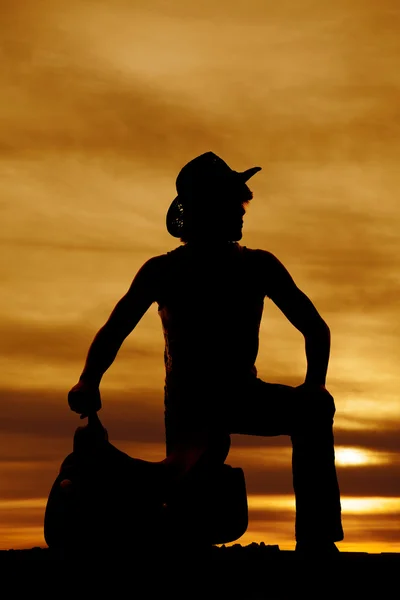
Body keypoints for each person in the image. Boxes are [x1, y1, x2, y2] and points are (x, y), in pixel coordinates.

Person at [68, 151, 344, 554]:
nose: (242, 211)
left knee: (315, 410)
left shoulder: (257, 266)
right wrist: (88, 379)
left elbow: (316, 329)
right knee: (190, 518)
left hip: (238, 395)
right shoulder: (163, 271)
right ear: (208, 209)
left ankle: (317, 541)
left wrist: (314, 386)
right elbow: (114, 331)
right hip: (190, 407)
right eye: (235, 203)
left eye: (242, 202)